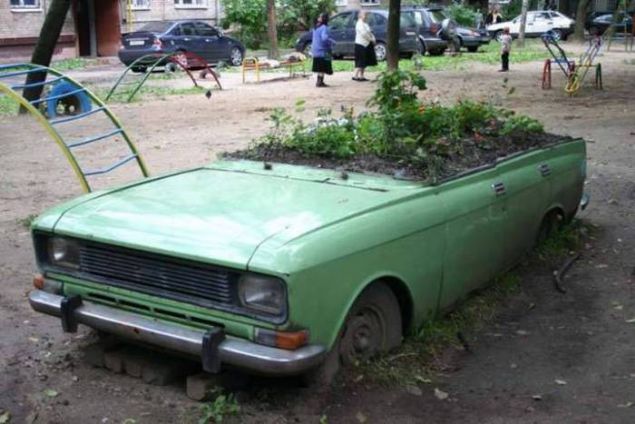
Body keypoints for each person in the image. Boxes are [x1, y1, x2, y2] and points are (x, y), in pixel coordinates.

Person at [311, 12, 334, 88]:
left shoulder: (315, 27)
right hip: (323, 50)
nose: (319, 18)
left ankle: (319, 81)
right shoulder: (324, 27)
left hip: (315, 50)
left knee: (320, 67)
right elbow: (324, 38)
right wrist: (331, 42)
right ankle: (319, 82)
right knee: (323, 66)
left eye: (320, 17)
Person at [353, 10, 377, 82]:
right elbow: (364, 34)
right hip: (360, 44)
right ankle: (355, 75)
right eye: (364, 15)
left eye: (366, 15)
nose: (366, 16)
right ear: (360, 15)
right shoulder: (359, 23)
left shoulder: (365, 24)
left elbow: (370, 32)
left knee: (364, 61)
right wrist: (371, 39)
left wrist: (373, 39)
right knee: (360, 60)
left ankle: (362, 76)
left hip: (366, 44)